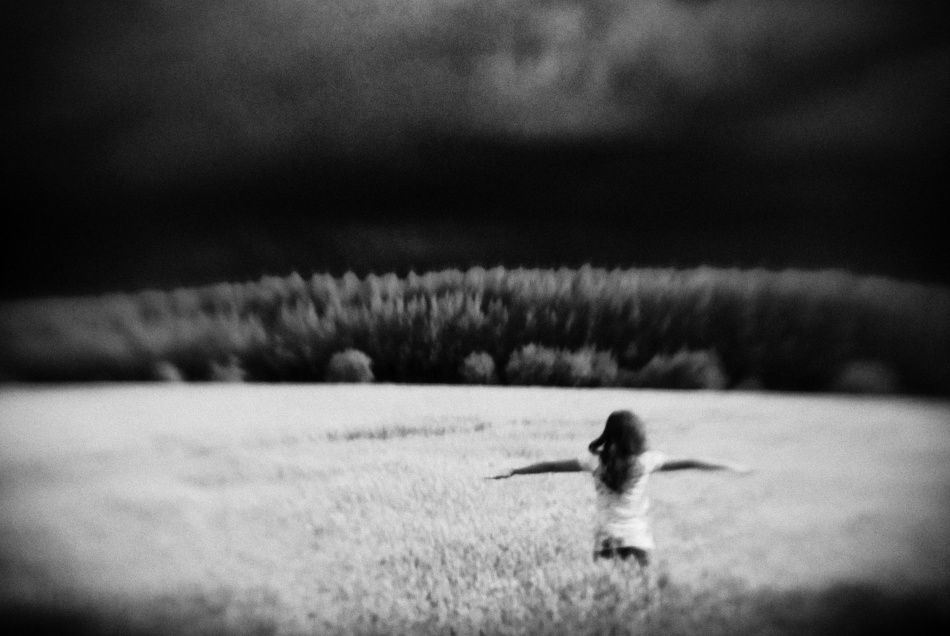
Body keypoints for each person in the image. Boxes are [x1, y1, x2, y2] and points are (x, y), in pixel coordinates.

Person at [488, 410, 750, 565]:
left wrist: (514, 470)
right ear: (637, 435)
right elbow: (692, 462)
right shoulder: (647, 461)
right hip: (638, 541)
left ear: (609, 433)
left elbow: (550, 465)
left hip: (605, 542)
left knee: (606, 605)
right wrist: (733, 467)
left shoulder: (593, 461)